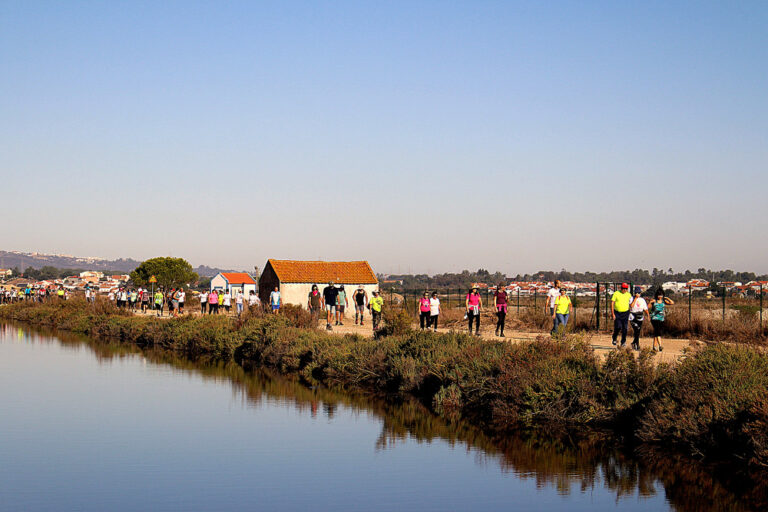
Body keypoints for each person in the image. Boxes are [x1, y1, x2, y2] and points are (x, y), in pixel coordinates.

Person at [611, 283, 632, 347]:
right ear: (621, 288)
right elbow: (612, 303)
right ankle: (614, 337)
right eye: (623, 288)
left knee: (625, 328)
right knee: (618, 326)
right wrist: (613, 314)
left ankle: (623, 341)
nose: (625, 290)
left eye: (626, 289)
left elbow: (631, 303)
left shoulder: (629, 295)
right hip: (617, 312)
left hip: (625, 313)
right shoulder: (616, 293)